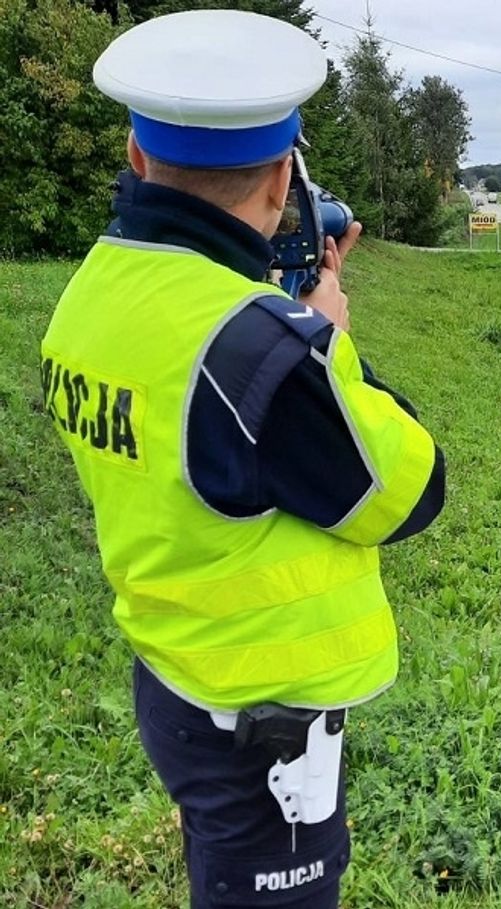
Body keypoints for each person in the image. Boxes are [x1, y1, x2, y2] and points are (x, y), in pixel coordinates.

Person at [40, 10, 445, 907]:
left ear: (139, 162)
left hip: (174, 674)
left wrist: (278, 318)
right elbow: (411, 489)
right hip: (264, 728)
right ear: (279, 183)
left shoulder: (90, 296)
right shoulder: (263, 351)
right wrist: (328, 344)